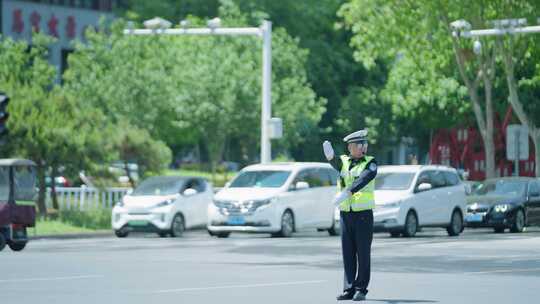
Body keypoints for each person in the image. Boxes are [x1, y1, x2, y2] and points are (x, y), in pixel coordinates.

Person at [323, 129, 377, 301]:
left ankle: (361, 288)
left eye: (362, 144)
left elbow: (363, 179)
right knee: (348, 252)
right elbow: (336, 164)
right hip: (346, 214)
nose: (350, 148)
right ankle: (349, 288)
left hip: (363, 215)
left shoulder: (370, 163)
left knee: (362, 252)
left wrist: (347, 192)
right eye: (354, 145)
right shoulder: (344, 161)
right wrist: (330, 156)